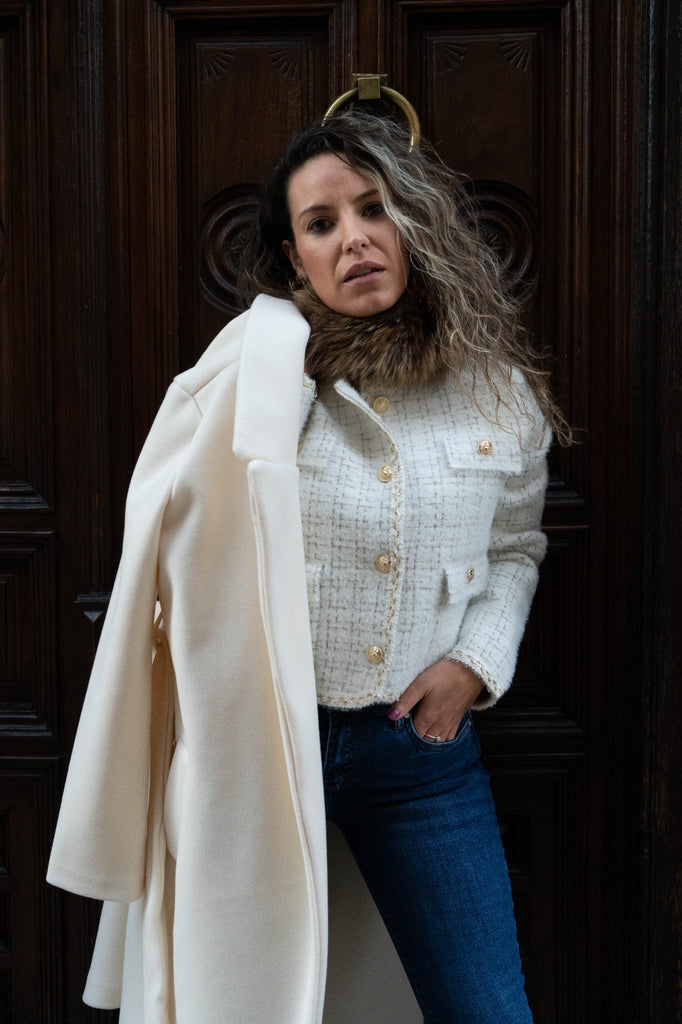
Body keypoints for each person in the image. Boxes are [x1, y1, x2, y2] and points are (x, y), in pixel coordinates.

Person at [47, 110, 570, 1024]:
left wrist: (474, 664)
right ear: (296, 257)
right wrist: (281, 373)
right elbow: (187, 538)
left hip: (417, 756)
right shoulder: (253, 377)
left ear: (414, 220)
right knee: (233, 1006)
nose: (354, 238)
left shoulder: (497, 391)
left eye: (374, 208)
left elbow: (514, 545)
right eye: (322, 224)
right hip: (256, 751)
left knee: (486, 1008)